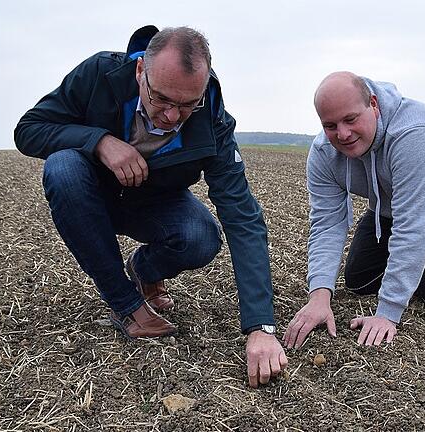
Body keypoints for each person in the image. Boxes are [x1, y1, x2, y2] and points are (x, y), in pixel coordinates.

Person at [14, 25, 286, 388]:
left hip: (154, 204)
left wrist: (261, 326)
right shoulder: (99, 74)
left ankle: (144, 269)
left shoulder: (212, 118)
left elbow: (242, 217)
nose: (173, 116)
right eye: (162, 99)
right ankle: (127, 305)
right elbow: (29, 129)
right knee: (63, 167)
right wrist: (99, 142)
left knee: (202, 237)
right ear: (140, 71)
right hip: (90, 198)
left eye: (187, 104)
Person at [284, 72, 425, 348]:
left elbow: (414, 224)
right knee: (359, 280)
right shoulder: (324, 154)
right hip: (390, 205)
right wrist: (319, 297)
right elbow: (327, 223)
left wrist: (387, 313)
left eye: (350, 119)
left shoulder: (414, 134)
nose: (343, 134)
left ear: (373, 104)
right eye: (330, 125)